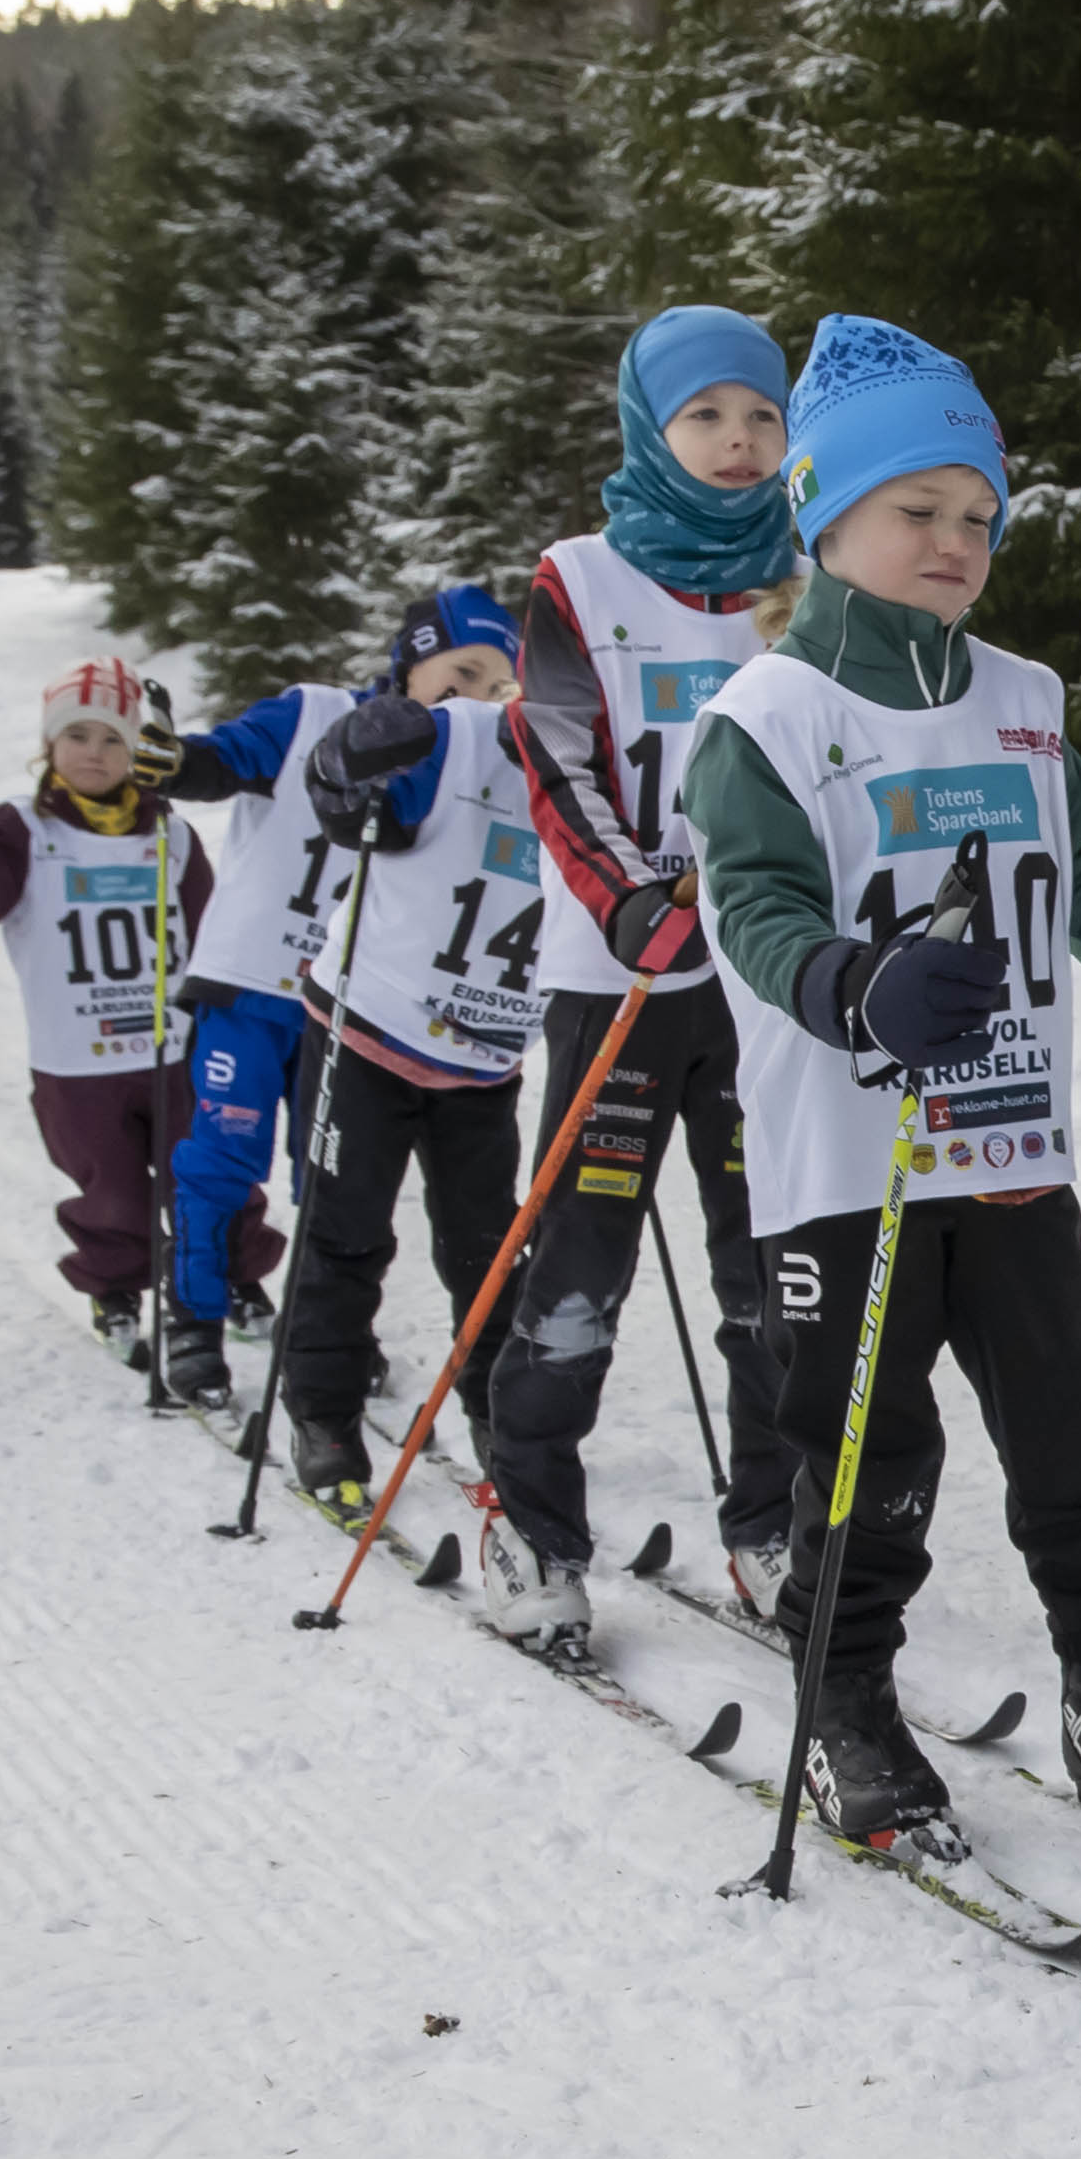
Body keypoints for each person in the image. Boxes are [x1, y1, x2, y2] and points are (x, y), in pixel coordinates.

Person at [683, 315, 1081, 1851]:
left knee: (1071, 1437)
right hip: (848, 1168)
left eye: (979, 515)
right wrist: (862, 985)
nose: (957, 540)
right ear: (826, 515)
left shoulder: (1028, 698)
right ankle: (846, 1704)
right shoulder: (764, 720)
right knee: (867, 1453)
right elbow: (758, 916)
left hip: (1012, 1150)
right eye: (920, 508)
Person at [480, 306, 811, 1653]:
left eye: (762, 419)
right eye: (706, 418)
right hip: (616, 981)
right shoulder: (579, 578)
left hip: (758, 991)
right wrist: (629, 900)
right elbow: (556, 755)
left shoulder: (808, 579)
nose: (737, 443)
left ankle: (768, 1521)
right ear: (651, 429)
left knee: (771, 1273)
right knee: (577, 1273)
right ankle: (534, 1525)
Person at [0, 657, 261, 1353]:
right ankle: (115, 1289)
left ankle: (235, 1276)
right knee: (110, 1191)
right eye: (78, 736)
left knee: (209, 1170)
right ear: (49, 746)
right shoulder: (20, 830)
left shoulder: (170, 832)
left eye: (114, 739)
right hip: (77, 1058)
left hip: (175, 1046)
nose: (95, 752)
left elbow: (210, 929)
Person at [277, 588, 555, 1523]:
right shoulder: (429, 745)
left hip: (482, 1063)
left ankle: (493, 1411)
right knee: (345, 1233)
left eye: (502, 675)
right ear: (411, 677)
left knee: (488, 1251)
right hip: (367, 1034)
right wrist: (357, 754)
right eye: (460, 675)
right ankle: (322, 1410)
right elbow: (350, 799)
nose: (483, 693)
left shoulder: (563, 767)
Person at [151, 672, 371, 1405]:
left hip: (346, 1002)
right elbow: (227, 760)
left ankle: (326, 1329)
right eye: (458, 670)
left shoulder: (458, 757)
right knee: (220, 1158)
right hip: (248, 981)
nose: (466, 691)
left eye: (486, 677)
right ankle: (194, 1321)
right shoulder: (316, 712)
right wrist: (175, 761)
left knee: (330, 1178)